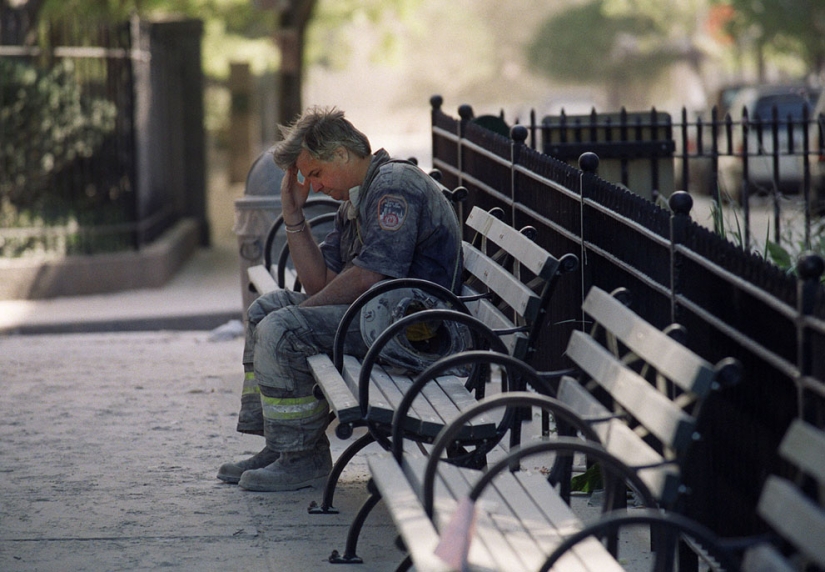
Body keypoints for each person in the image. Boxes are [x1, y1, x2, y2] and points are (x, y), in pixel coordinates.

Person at [217, 106, 463, 491]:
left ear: (341, 154)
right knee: (265, 310)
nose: (314, 186)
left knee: (283, 328)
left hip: (415, 331)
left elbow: (369, 277)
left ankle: (303, 458)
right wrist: (292, 214)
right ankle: (281, 445)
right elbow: (318, 284)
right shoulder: (355, 200)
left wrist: (300, 315)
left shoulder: (393, 187)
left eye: (315, 173)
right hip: (381, 319)